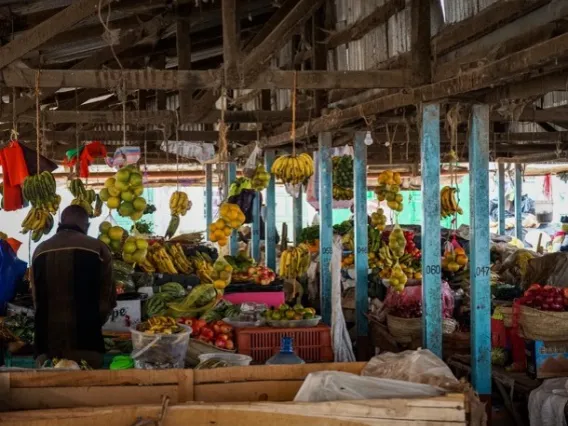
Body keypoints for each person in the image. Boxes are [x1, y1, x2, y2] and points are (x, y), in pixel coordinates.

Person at [31, 205, 115, 368]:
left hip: (47, 345)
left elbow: (35, 298)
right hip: (86, 342)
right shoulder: (98, 249)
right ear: (87, 225)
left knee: (45, 391)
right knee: (87, 390)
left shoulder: (39, 250)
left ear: (60, 222)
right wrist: (94, 321)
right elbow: (108, 296)